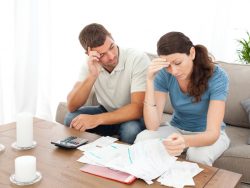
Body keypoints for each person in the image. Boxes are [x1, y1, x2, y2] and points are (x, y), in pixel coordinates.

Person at [135, 31, 230, 166]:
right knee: (143, 138)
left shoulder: (218, 76)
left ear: (191, 53)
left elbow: (212, 134)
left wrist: (184, 141)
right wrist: (150, 80)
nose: (173, 71)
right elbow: (152, 125)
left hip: (207, 134)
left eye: (178, 62)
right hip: (177, 128)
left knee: (197, 155)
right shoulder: (164, 73)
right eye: (167, 65)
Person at [64, 23, 150, 144]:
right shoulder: (90, 64)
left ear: (112, 37)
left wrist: (97, 119)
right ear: (89, 54)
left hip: (133, 117)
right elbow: (71, 106)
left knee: (130, 131)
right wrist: (92, 75)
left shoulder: (137, 58)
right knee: (71, 119)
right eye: (102, 54)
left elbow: (138, 109)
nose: (111, 56)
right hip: (106, 111)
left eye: (111, 47)